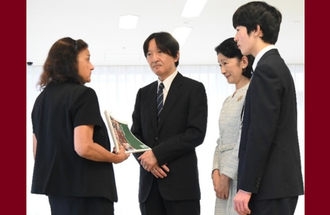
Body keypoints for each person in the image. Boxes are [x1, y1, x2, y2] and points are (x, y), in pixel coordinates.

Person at [31, 37, 130, 215]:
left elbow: (37, 152)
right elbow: (83, 147)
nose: (92, 66)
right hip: (88, 194)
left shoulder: (41, 100)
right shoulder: (83, 95)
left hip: (58, 194)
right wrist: (114, 158)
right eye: (87, 58)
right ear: (70, 62)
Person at [231, 2, 304, 215]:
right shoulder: (273, 66)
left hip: (270, 186)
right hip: (276, 185)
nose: (235, 37)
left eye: (238, 30)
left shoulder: (267, 69)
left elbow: (260, 133)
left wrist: (246, 187)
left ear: (257, 30)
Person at [131, 31, 208, 215]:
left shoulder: (193, 89)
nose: (154, 59)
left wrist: (157, 154)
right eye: (149, 54)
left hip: (181, 187)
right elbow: (135, 135)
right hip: (149, 187)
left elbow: (195, 133)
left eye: (160, 52)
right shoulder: (144, 93)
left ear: (176, 55)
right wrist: (148, 162)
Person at [212, 37, 254, 215]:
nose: (222, 70)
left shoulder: (252, 93)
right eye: (219, 65)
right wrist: (215, 170)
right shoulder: (228, 99)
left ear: (243, 61)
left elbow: (244, 138)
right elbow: (220, 141)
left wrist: (226, 175)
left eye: (225, 63)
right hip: (223, 177)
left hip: (239, 176)